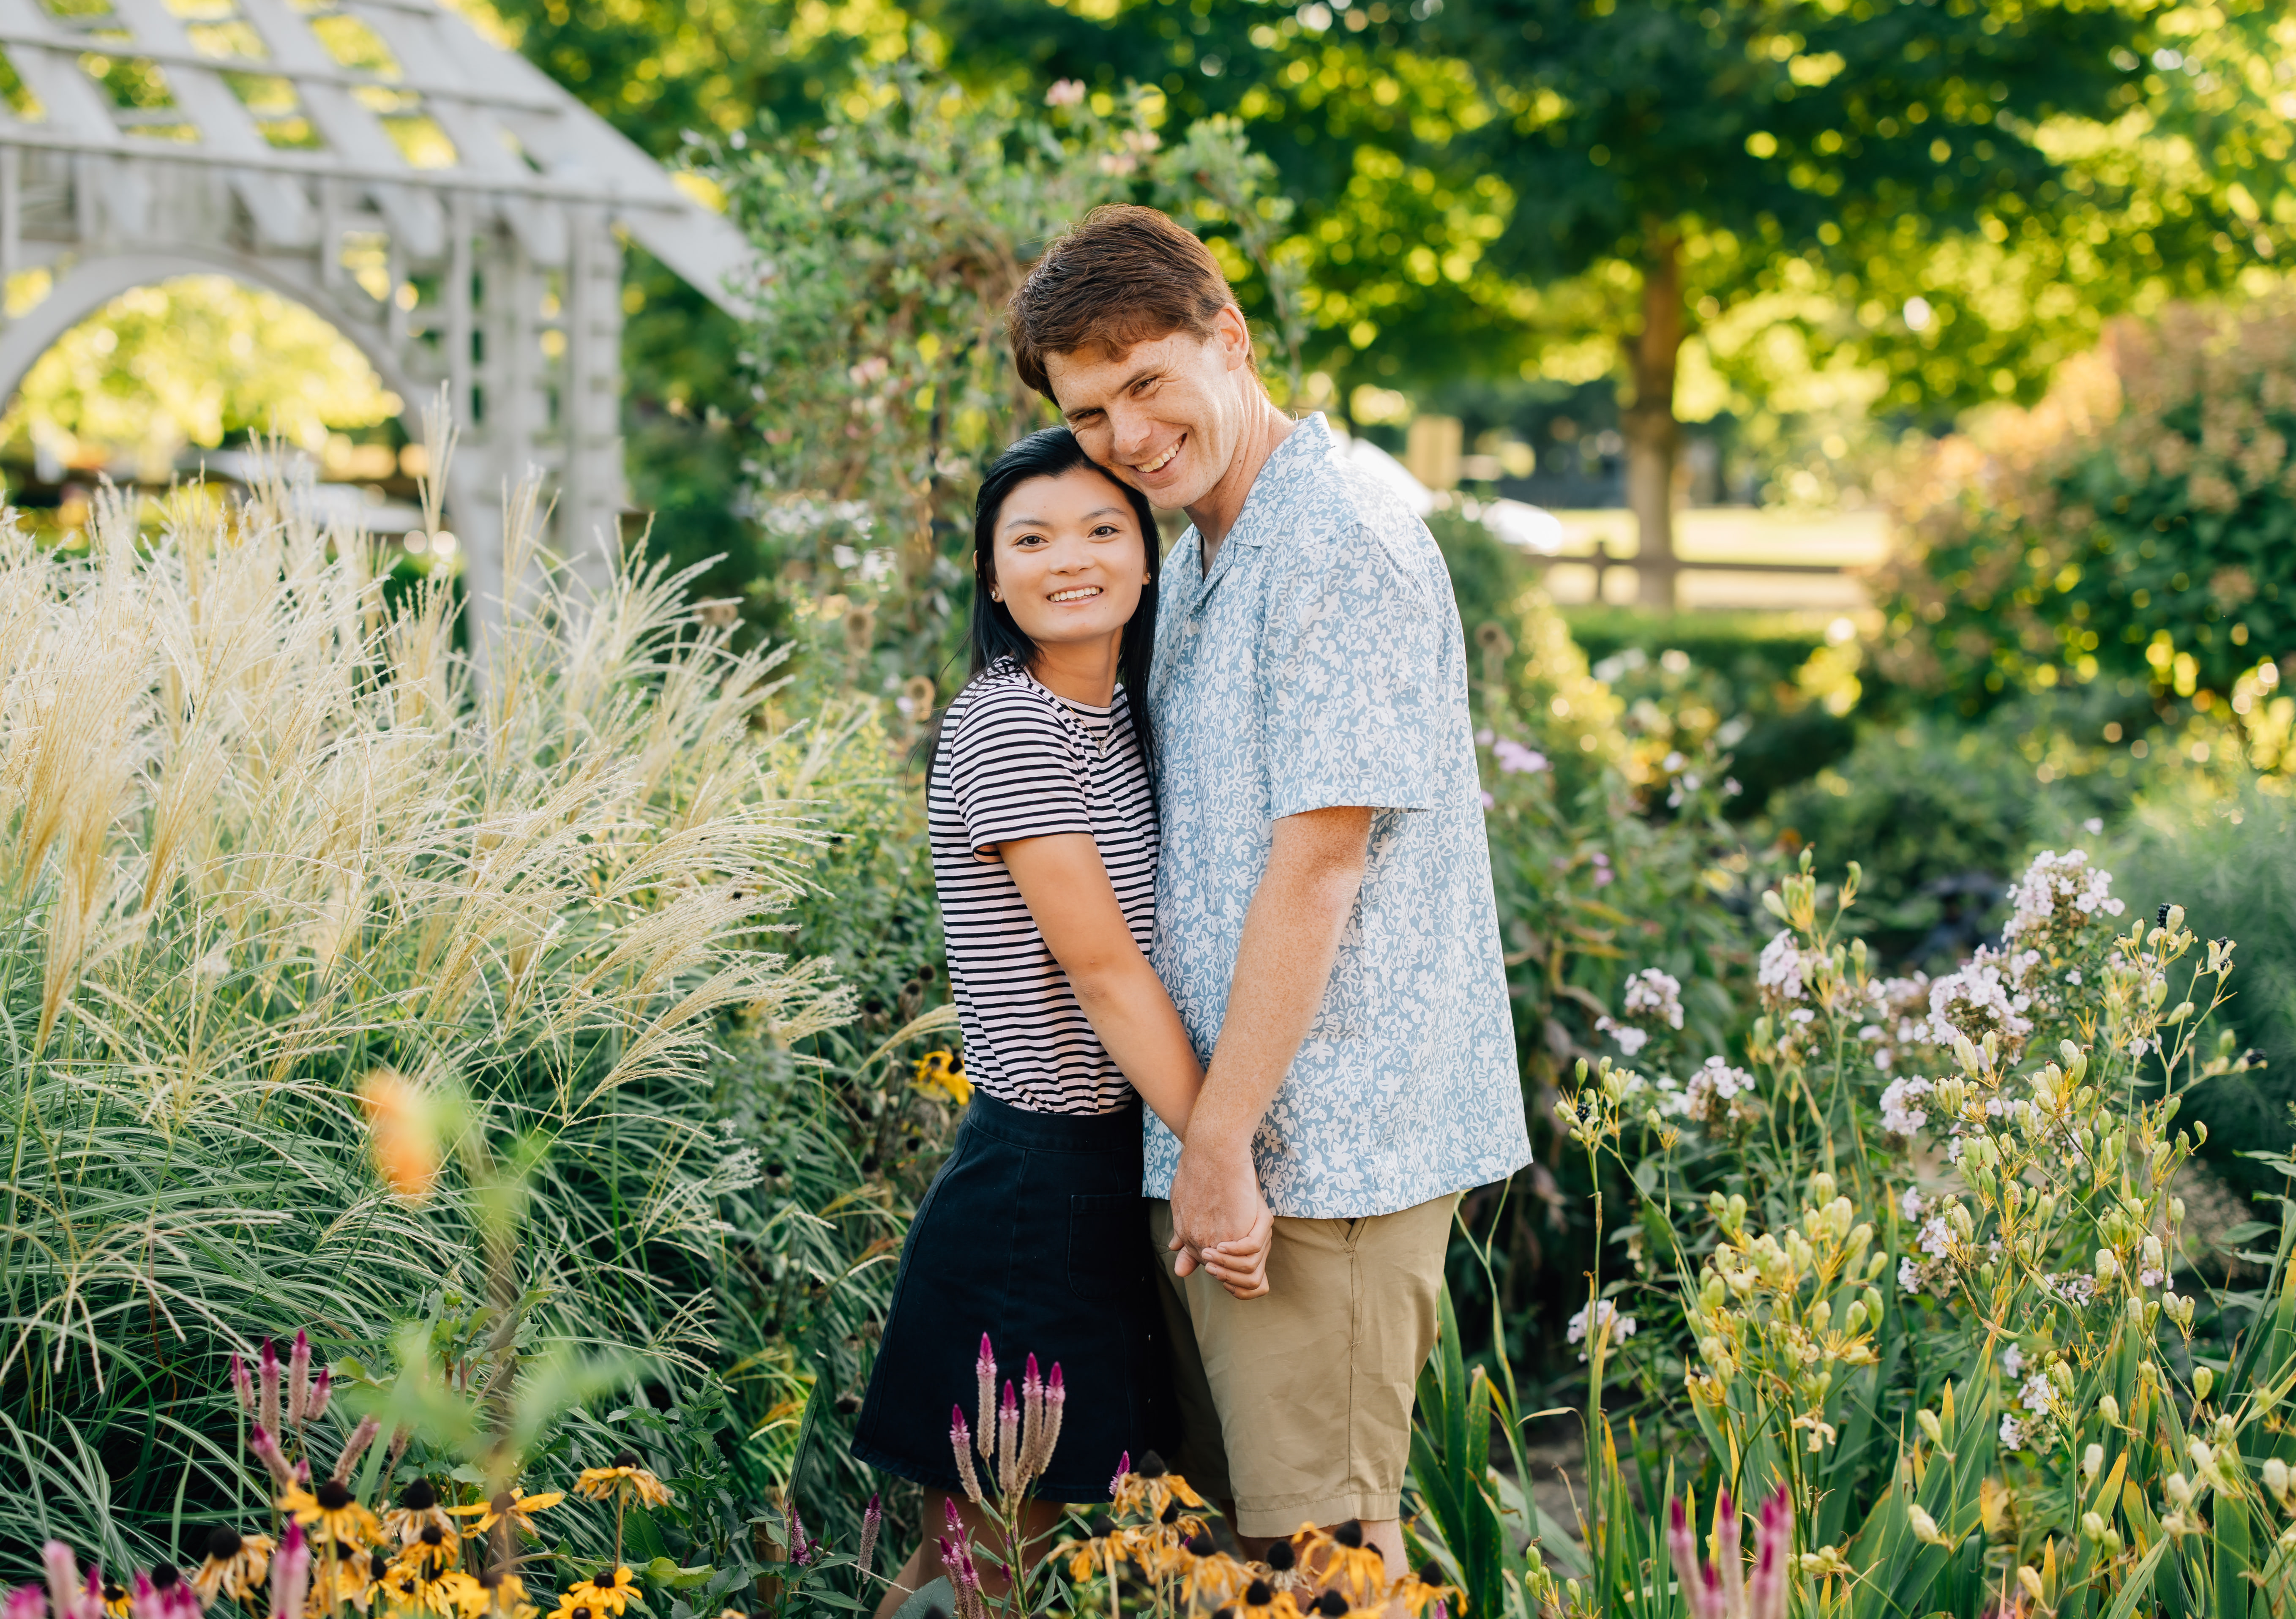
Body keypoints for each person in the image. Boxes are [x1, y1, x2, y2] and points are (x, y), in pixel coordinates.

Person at [1004, 206, 1534, 1572]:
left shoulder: (1335, 541)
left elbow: (1320, 862)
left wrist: (1223, 1142)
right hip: (1237, 1135)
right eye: (1091, 408)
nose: (1125, 433)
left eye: (1144, 382)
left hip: (1324, 1146)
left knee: (1328, 1557)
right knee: (1246, 1552)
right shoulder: (1195, 553)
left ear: (1227, 340)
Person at [851, 426, 1272, 1619]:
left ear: (1149, 557)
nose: (1069, 559)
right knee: (985, 1561)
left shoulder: (1118, 718)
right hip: (1038, 1187)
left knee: (996, 1561)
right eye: (1029, 539)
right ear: (992, 577)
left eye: (1101, 529)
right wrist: (1219, 1151)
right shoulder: (1012, 725)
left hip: (1104, 1167)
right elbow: (1104, 975)